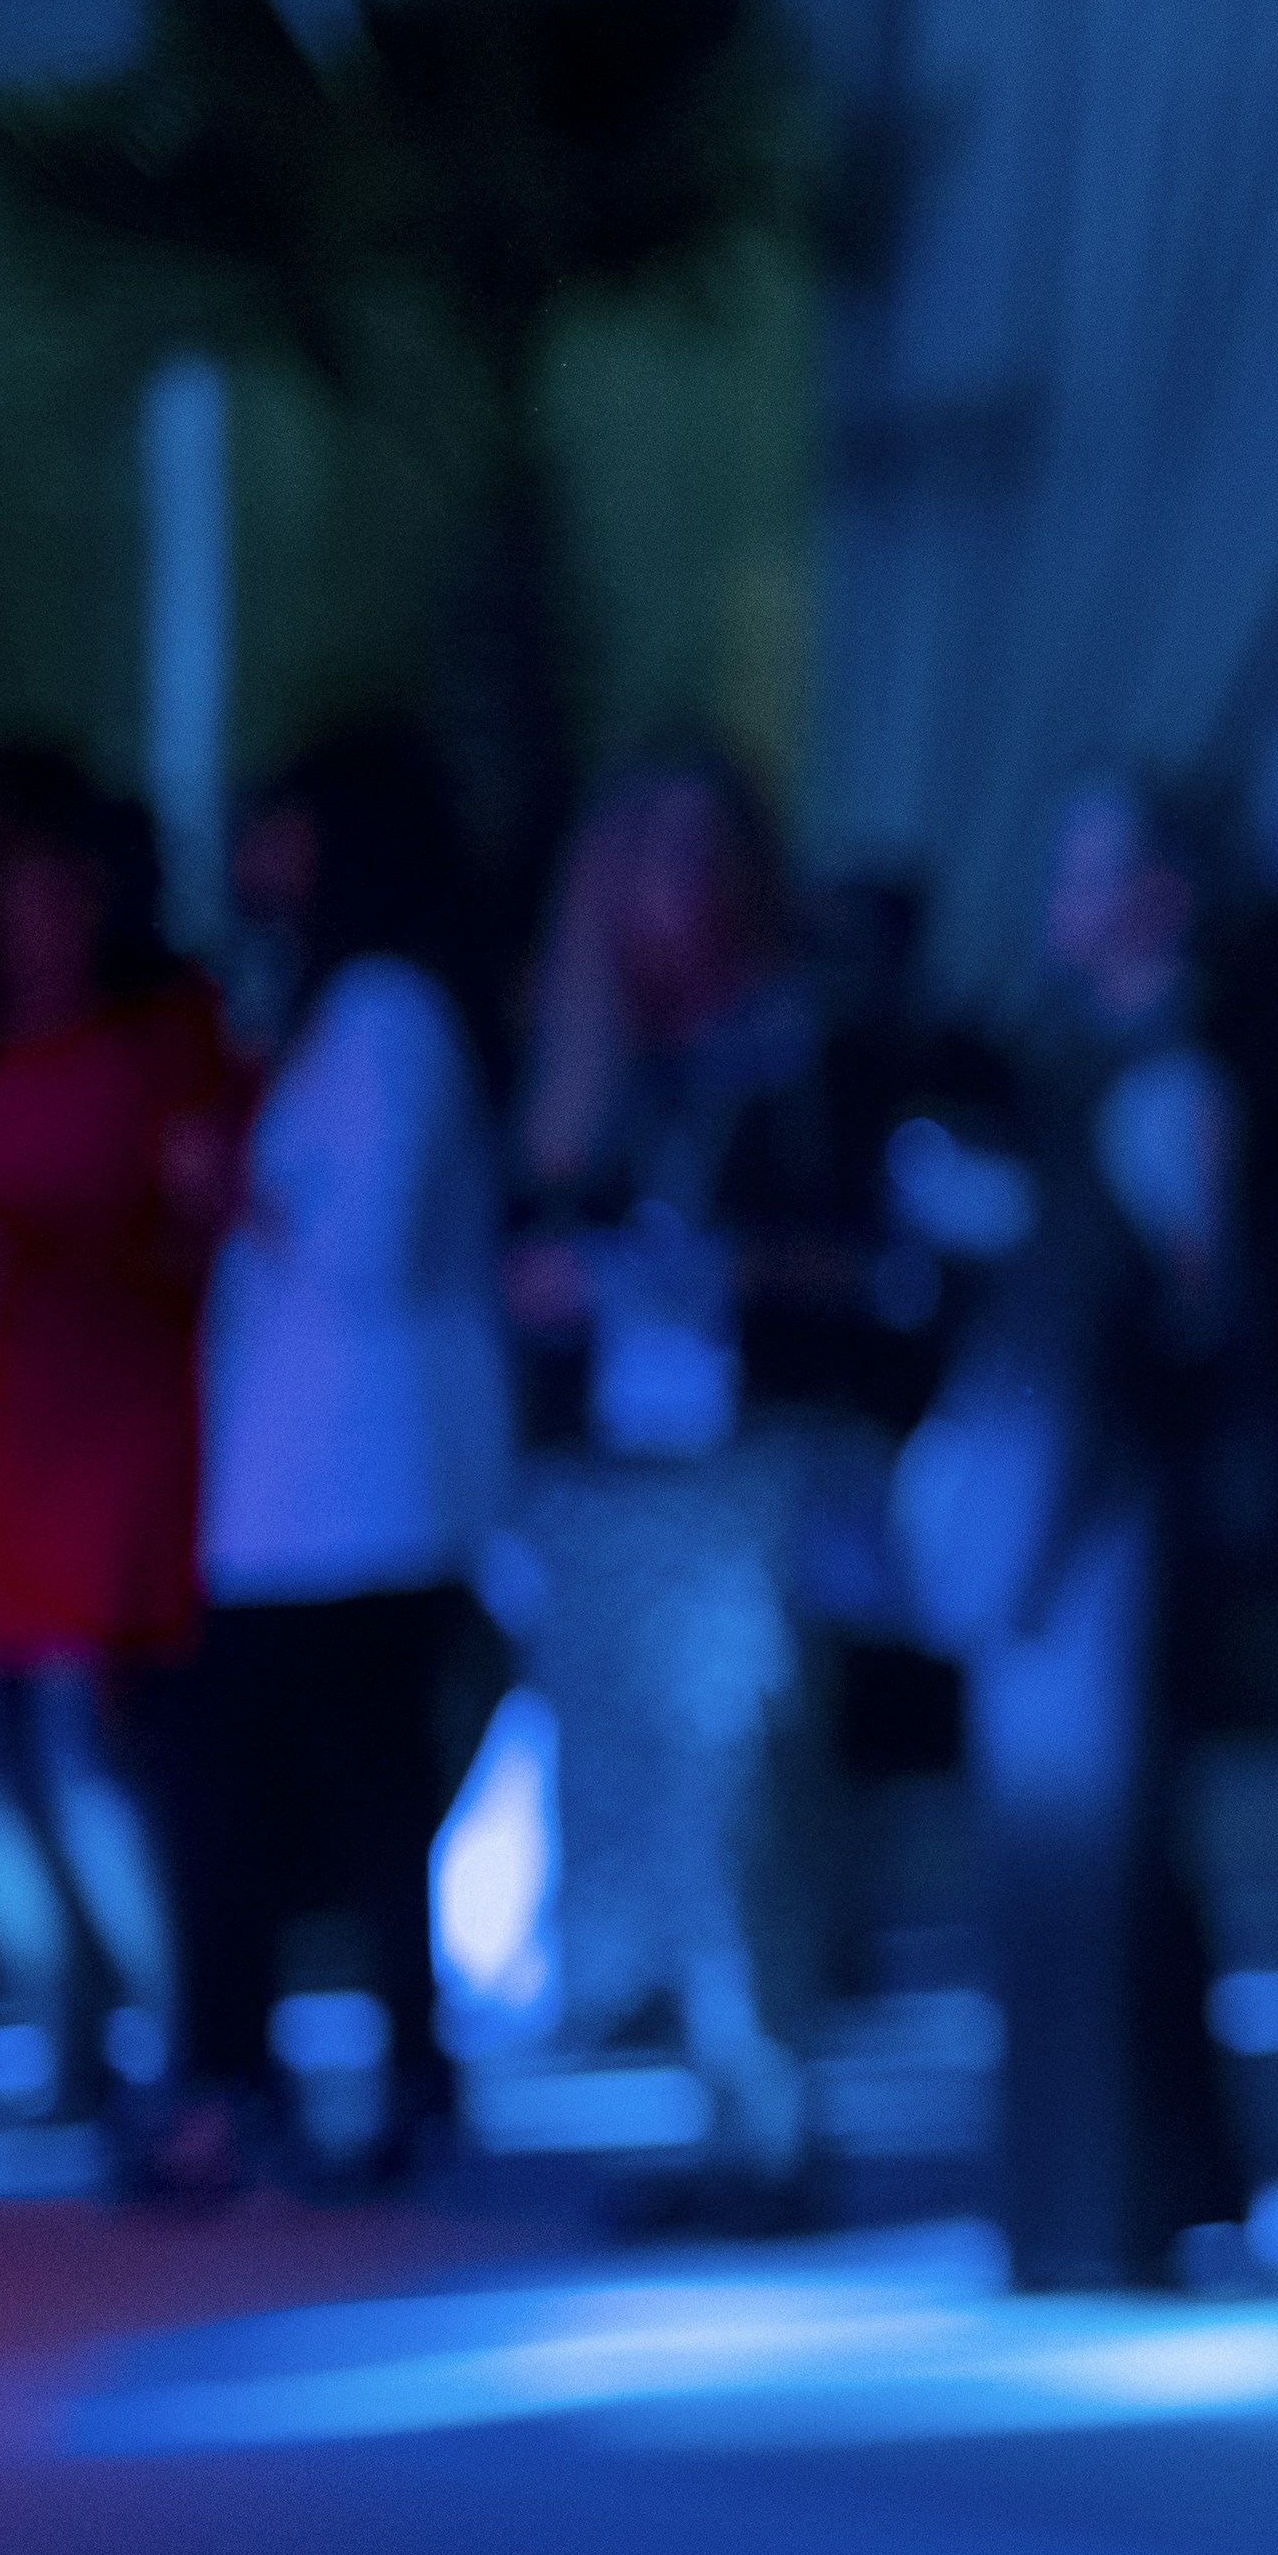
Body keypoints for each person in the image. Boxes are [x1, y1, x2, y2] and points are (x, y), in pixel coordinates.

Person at [509, 749, 875, 2228]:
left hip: (751, 1459)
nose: (680, 886)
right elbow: (521, 1243)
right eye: (650, 851)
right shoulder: (579, 1062)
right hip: (605, 1474)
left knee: (745, 1782)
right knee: (643, 1800)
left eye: (704, 850)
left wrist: (732, 1269)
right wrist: (556, 1283)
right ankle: (716, 2113)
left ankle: (772, 2111)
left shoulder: (808, 1046)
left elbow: (882, 1253)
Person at [899, 773, 1254, 2292]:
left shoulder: (1179, 1074)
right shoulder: (1086, 1065)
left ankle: (1103, 2213)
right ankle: (1098, 2207)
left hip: (1105, 1502)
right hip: (1070, 1491)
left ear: (1162, 891)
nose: (1062, 897)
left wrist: (1045, 1217)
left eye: (1090, 868)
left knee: (1093, 1851)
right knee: (1071, 1856)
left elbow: (1200, 1299)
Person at [0, 745, 245, 2192]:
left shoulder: (168, 1041)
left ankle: (177, 2039)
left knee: (88, 1742)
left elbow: (208, 1231)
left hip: (109, 1405)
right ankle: (61, 2035)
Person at [181, 719, 511, 2195]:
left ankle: (315, 2083)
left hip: (354, 1489)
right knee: (353, 1792)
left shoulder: (384, 1018)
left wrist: (228, 1195)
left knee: (320, 1788)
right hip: (314, 1489)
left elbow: (368, 1246)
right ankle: (375, 2081)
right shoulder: (340, 1011)